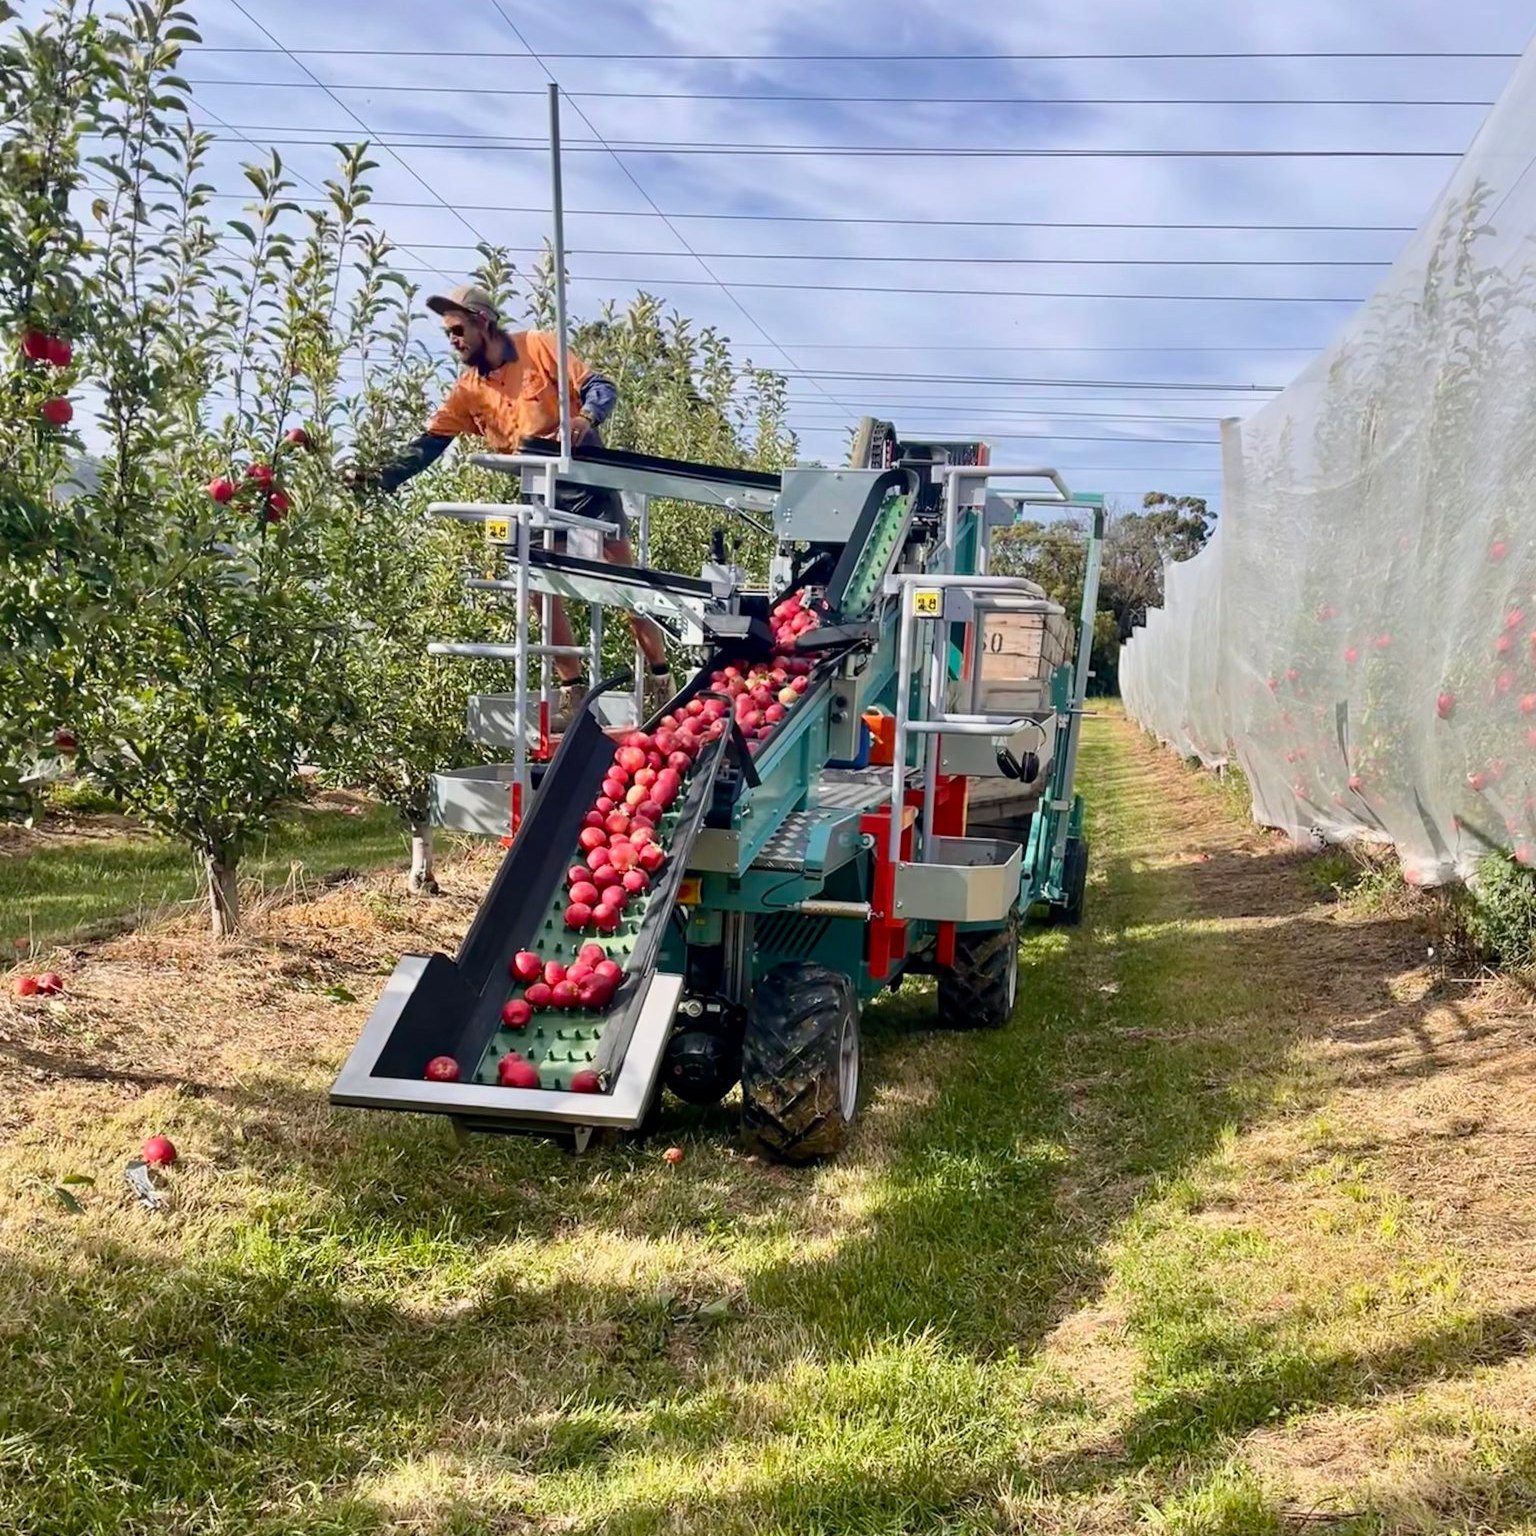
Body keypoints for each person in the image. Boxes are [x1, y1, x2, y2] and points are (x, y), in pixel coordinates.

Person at [351, 282, 672, 722]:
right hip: (536, 488)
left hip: (586, 478)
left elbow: (600, 387)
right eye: (448, 334)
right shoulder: (468, 390)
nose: (454, 341)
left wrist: (584, 418)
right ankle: (573, 691)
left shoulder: (537, 346)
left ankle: (659, 676)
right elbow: (429, 444)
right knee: (538, 587)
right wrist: (379, 476)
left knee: (624, 587)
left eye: (458, 329)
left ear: (484, 321)